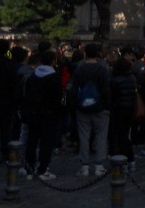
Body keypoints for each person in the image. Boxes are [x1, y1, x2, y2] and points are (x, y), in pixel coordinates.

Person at [70, 42, 112, 177]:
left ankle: (84, 165)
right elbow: (106, 90)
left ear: (85, 54)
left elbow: (74, 89)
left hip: (82, 107)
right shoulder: (103, 69)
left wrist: (74, 104)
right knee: (101, 135)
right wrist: (107, 105)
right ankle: (99, 165)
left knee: (84, 136)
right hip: (100, 107)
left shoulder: (79, 69)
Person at [20, 48, 63, 180]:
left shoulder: (33, 76)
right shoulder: (54, 77)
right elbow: (57, 98)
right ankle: (42, 169)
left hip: (33, 114)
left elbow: (27, 96)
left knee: (32, 141)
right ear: (53, 61)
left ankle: (29, 167)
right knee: (46, 142)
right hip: (49, 114)